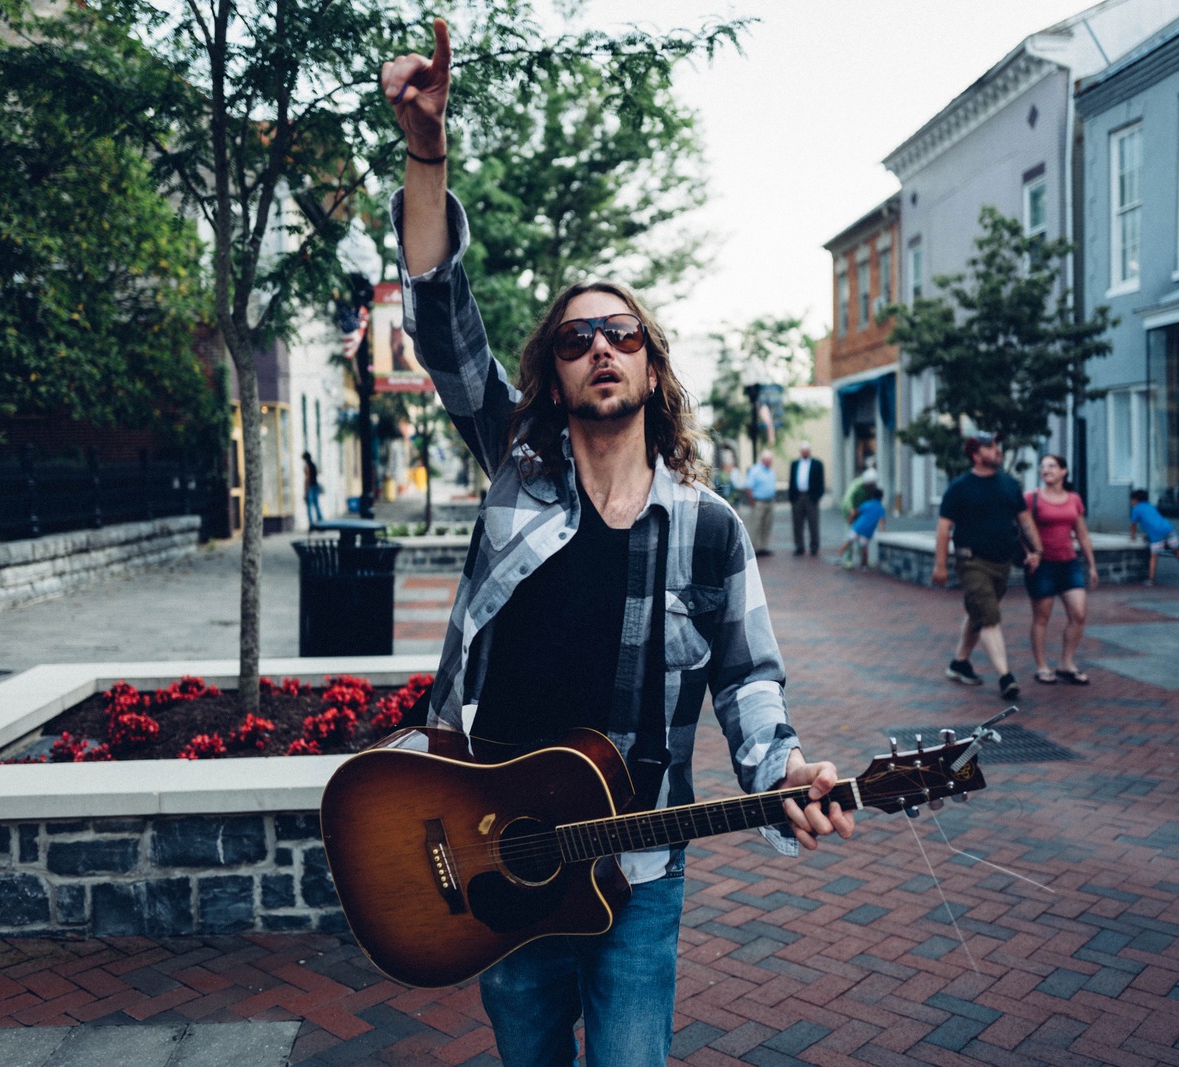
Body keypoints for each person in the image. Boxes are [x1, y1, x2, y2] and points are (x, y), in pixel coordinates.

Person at [381, 21, 854, 1067]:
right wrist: (427, 154)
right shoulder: (515, 467)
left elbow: (750, 680)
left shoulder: (707, 526)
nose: (600, 346)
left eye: (621, 333)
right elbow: (442, 318)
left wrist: (786, 771)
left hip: (638, 863)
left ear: (652, 365)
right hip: (495, 846)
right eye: (574, 337)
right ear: (551, 373)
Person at [932, 431, 1043, 701]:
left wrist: (1037, 550)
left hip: (1002, 562)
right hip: (971, 561)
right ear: (976, 455)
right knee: (989, 615)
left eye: (996, 445)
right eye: (991, 447)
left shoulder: (1009, 485)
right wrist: (941, 565)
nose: (997, 450)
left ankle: (959, 663)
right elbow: (944, 529)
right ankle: (1006, 677)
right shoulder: (959, 487)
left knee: (978, 612)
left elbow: (1024, 521)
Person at [1025, 454, 1099, 685]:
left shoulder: (1073, 499)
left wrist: (1092, 565)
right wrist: (1029, 553)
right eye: (1043, 466)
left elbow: (1082, 534)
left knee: (1079, 614)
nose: (1045, 470)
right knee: (1042, 617)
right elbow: (1021, 529)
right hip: (1042, 566)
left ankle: (1066, 663)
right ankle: (1042, 666)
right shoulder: (1031, 498)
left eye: (1051, 466)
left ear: (1063, 471)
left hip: (1069, 564)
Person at [1129, 489, 1179, 584]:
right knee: (1176, 550)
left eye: (1132, 500)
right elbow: (1153, 521)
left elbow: (1133, 525)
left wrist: (1133, 537)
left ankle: (1151, 579)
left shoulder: (1136, 509)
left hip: (1156, 534)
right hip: (1168, 529)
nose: (1131, 502)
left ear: (1136, 500)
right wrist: (1148, 535)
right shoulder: (1150, 506)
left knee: (1154, 555)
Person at [787, 441, 825, 557]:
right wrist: (792, 497)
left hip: (811, 497)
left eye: (806, 450)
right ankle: (799, 547)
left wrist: (817, 496)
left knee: (813, 523)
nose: (804, 452)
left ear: (809, 451)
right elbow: (791, 480)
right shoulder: (794, 464)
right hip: (797, 496)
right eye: (802, 450)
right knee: (797, 524)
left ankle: (814, 547)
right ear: (800, 451)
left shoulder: (817, 464)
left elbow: (821, 482)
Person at [835, 485, 885, 570]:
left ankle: (839, 556)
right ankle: (864, 565)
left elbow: (856, 512)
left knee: (849, 542)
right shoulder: (881, 508)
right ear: (881, 498)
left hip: (857, 527)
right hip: (867, 531)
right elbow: (882, 521)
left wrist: (850, 519)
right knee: (864, 548)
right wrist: (882, 529)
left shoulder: (867, 504)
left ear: (872, 496)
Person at [742, 450, 778, 556]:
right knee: (756, 525)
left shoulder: (771, 470)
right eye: (767, 460)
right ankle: (754, 548)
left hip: (770, 501)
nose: (769, 462)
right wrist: (753, 502)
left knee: (767, 525)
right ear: (762, 459)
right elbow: (748, 487)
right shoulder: (755, 470)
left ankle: (763, 547)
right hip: (759, 502)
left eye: (770, 460)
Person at [302, 451, 323, 529]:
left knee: (309, 506)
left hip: (310, 487)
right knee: (317, 504)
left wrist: (305, 492)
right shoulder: (314, 465)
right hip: (315, 485)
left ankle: (311, 524)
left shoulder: (307, 466)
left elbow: (308, 479)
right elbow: (316, 474)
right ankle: (321, 521)